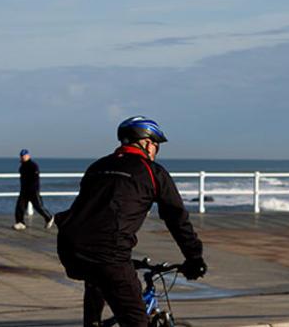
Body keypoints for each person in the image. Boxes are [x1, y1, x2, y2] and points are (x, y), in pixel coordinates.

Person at [55, 116, 207, 327]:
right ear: (146, 142)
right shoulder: (152, 172)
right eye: (156, 145)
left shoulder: (97, 167)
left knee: (97, 281)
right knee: (136, 321)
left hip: (70, 248)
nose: (156, 150)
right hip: (109, 253)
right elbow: (176, 217)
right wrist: (194, 258)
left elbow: (92, 211)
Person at [13, 149, 54, 230]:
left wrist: (33, 188)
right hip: (24, 190)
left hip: (33, 190)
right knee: (20, 206)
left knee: (38, 206)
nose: (23, 157)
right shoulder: (22, 166)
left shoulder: (33, 165)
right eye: (22, 156)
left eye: (25, 156)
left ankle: (49, 217)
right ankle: (20, 222)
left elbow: (35, 178)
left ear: (28, 156)